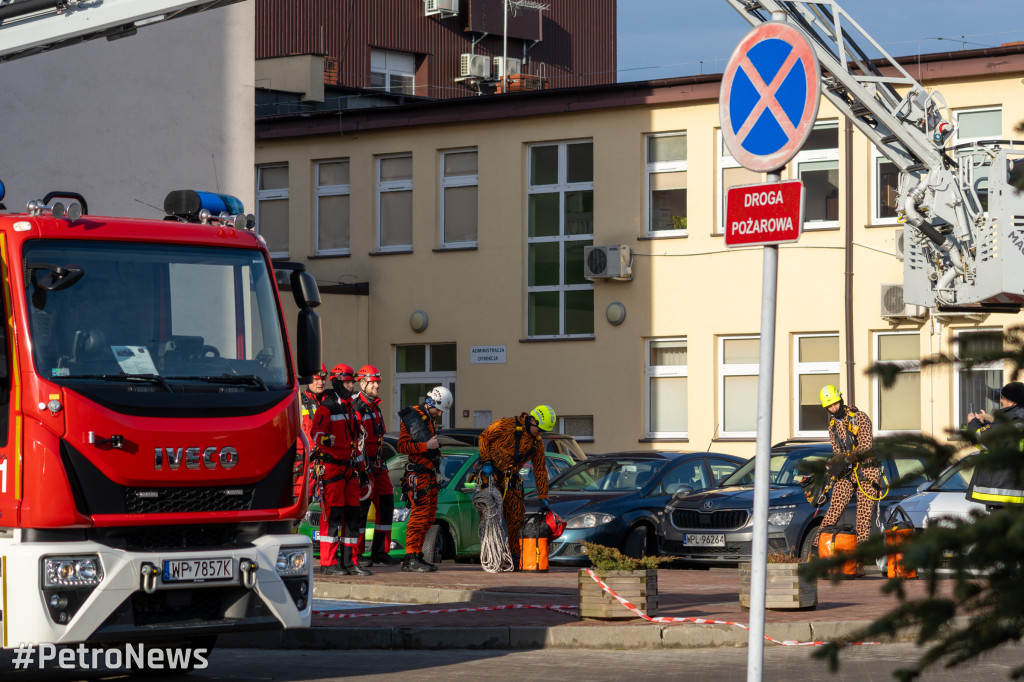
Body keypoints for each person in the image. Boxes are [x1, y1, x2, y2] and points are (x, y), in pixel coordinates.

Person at [478, 405, 556, 569]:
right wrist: (486, 461)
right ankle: (492, 557)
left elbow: (540, 469)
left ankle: (515, 556)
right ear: (533, 420)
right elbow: (484, 437)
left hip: (511, 480)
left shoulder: (536, 443)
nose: (540, 433)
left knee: (516, 519)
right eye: (539, 429)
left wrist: (543, 497)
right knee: (491, 519)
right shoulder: (505, 425)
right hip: (491, 476)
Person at [310, 381, 371, 576]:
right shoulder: (327, 406)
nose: (351, 385)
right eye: (347, 382)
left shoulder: (350, 408)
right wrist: (324, 439)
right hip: (332, 468)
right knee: (333, 516)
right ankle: (328, 563)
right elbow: (316, 432)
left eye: (352, 382)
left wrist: (362, 470)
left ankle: (350, 562)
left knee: (353, 516)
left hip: (351, 469)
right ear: (337, 383)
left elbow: (356, 442)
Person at [816, 385, 883, 549]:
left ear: (841, 399)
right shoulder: (832, 425)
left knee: (863, 518)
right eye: (829, 406)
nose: (833, 408)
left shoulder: (859, 417)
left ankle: (858, 561)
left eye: (835, 403)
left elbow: (866, 446)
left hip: (867, 471)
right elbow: (837, 451)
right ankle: (818, 550)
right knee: (834, 511)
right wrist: (832, 466)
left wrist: (846, 459)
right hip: (846, 473)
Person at [397, 386, 453, 573]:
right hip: (417, 475)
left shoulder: (429, 418)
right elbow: (403, 446)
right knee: (418, 517)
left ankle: (417, 553)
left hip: (428, 474)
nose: (439, 414)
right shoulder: (412, 417)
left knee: (429, 517)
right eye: (439, 410)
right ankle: (410, 557)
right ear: (432, 403)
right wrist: (425, 445)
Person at [352, 365, 400, 566]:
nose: (377, 386)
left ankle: (380, 551)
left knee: (387, 504)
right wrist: (360, 467)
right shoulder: (356, 407)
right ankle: (358, 553)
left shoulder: (375, 408)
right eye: (373, 382)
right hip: (364, 467)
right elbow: (355, 440)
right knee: (361, 510)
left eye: (378, 382)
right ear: (363, 383)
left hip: (379, 467)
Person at [965, 381, 1024, 508]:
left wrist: (972, 423)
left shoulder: (1009, 421)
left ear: (1012, 401)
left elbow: (981, 439)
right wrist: (991, 421)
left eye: (1003, 397)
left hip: (1004, 493)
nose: (1001, 401)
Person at [297, 365, 333, 501]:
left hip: (328, 465)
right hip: (305, 466)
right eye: (316, 379)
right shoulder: (298, 402)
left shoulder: (331, 402)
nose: (321, 383)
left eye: (323, 379)